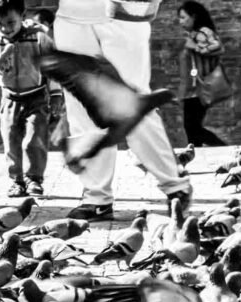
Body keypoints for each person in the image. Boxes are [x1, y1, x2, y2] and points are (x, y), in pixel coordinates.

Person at [55, 0, 192, 219]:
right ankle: (97, 198)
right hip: (72, 15)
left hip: (123, 13)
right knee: (81, 102)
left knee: (134, 101)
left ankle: (174, 185)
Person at [0, 0, 53, 198]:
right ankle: (17, 181)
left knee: (35, 139)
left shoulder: (37, 37)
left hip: (36, 96)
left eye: (11, 23)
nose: (5, 29)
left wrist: (57, 94)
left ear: (22, 17)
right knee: (11, 141)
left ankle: (34, 179)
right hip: (9, 98)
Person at [177, 1, 226, 147]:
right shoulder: (194, 34)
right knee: (192, 128)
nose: (180, 22)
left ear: (193, 17)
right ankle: (197, 155)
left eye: (183, 17)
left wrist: (196, 47)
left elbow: (218, 47)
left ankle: (222, 147)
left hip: (199, 88)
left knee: (192, 127)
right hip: (191, 89)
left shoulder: (203, 32)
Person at [29, 8, 69, 150]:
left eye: (37, 23)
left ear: (45, 23)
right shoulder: (42, 40)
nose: (34, 27)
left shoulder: (54, 39)